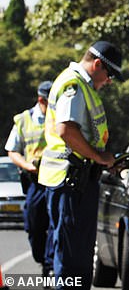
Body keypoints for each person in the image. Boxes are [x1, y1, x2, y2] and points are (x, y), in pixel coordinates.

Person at [37, 41, 122, 290]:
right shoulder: (74, 84)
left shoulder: (82, 85)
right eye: (110, 75)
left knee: (76, 255)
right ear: (97, 65)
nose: (109, 82)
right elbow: (66, 130)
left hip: (76, 182)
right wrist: (99, 157)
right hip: (70, 181)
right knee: (72, 259)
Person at [5, 81, 54, 278]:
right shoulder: (24, 119)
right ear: (42, 100)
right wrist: (27, 166)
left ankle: (51, 266)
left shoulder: (60, 117)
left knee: (56, 224)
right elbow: (12, 150)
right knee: (34, 226)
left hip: (56, 179)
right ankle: (42, 258)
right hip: (34, 181)